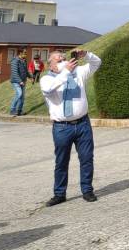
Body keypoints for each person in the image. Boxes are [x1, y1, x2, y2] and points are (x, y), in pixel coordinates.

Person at [40, 49, 102, 205]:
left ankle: (87, 190)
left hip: (82, 124)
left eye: (64, 58)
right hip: (62, 127)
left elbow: (97, 63)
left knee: (87, 158)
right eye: (58, 59)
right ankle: (59, 193)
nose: (63, 60)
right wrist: (66, 72)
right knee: (61, 161)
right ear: (51, 64)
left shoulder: (78, 73)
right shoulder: (46, 79)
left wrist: (86, 55)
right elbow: (49, 89)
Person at [9, 50, 29, 116]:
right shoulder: (15, 61)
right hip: (16, 81)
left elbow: (26, 71)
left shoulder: (24, 60)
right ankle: (12, 110)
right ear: (20, 53)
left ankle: (19, 110)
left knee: (22, 97)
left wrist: (30, 77)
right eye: (25, 53)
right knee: (19, 94)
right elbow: (15, 72)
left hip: (23, 81)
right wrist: (20, 81)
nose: (26, 54)